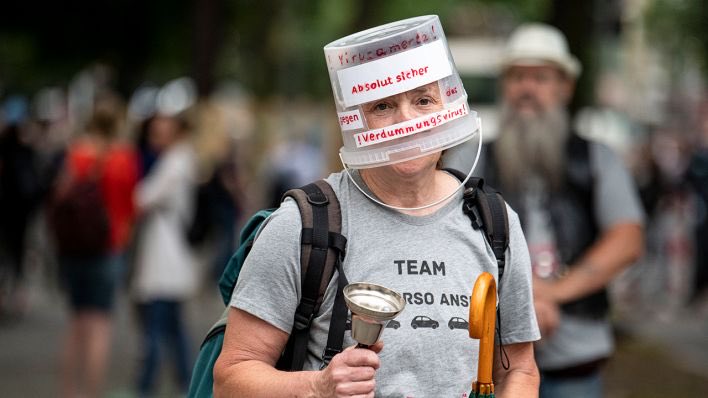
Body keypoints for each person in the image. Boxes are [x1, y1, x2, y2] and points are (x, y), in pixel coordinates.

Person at [214, 15, 540, 397]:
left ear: (449, 106)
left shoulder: (494, 222)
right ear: (356, 122)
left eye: (423, 100)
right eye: (383, 106)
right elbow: (230, 379)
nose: (406, 122)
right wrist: (318, 387)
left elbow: (519, 369)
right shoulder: (304, 226)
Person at [472, 23, 644, 397]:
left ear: (565, 87)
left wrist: (551, 294)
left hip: (575, 357)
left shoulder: (597, 159)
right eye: (517, 77)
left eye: (541, 77)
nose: (527, 88)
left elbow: (627, 238)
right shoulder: (475, 161)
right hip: (492, 356)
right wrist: (522, 299)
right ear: (505, 86)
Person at [54, 99, 139, 398]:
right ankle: (92, 393)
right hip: (109, 248)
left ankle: (68, 391)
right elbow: (131, 207)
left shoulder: (76, 153)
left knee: (76, 323)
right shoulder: (124, 159)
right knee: (100, 325)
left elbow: (59, 196)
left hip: (75, 249)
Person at [130, 107, 198, 397]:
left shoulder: (175, 162)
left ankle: (147, 385)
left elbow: (142, 197)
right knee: (173, 327)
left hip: (166, 259)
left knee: (157, 328)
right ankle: (187, 383)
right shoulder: (180, 159)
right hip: (171, 257)